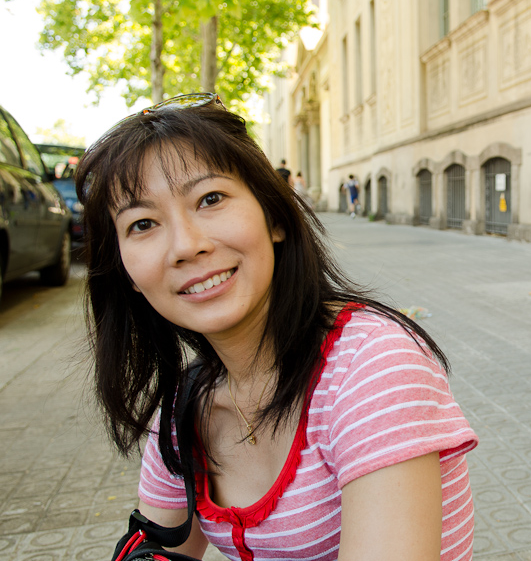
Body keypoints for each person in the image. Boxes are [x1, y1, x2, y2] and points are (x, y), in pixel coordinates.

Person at [75, 94, 477, 561]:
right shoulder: (186, 405)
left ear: (276, 218)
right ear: (126, 272)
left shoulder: (371, 365)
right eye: (142, 223)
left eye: (210, 198)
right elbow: (160, 551)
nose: (186, 246)